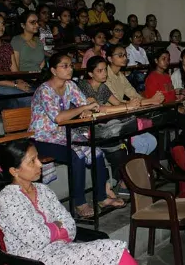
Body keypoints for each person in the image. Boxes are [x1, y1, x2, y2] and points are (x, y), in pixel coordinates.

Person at [0, 139, 136, 265]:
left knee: (113, 249)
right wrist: (57, 226)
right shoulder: (8, 199)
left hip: (59, 250)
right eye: (32, 161)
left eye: (37, 158)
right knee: (112, 252)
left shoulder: (43, 190)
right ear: (14, 171)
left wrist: (51, 229)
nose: (40, 164)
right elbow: (36, 240)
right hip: (32, 259)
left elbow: (70, 225)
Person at [30, 53, 126, 218]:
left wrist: (86, 109)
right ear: (53, 70)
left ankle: (102, 197)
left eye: (71, 66)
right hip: (42, 138)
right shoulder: (44, 90)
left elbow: (85, 105)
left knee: (96, 152)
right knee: (77, 155)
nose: (70, 69)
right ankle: (79, 203)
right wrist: (82, 109)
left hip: (63, 133)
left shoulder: (70, 85)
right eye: (64, 66)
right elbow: (58, 117)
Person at [78, 56, 157, 194]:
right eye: (100, 71)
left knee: (130, 140)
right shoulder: (84, 85)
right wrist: (128, 107)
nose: (104, 73)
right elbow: (98, 108)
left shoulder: (103, 87)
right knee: (121, 146)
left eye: (105, 70)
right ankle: (122, 182)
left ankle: (121, 181)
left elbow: (119, 104)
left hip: (104, 127)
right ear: (91, 73)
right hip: (87, 130)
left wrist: (138, 103)